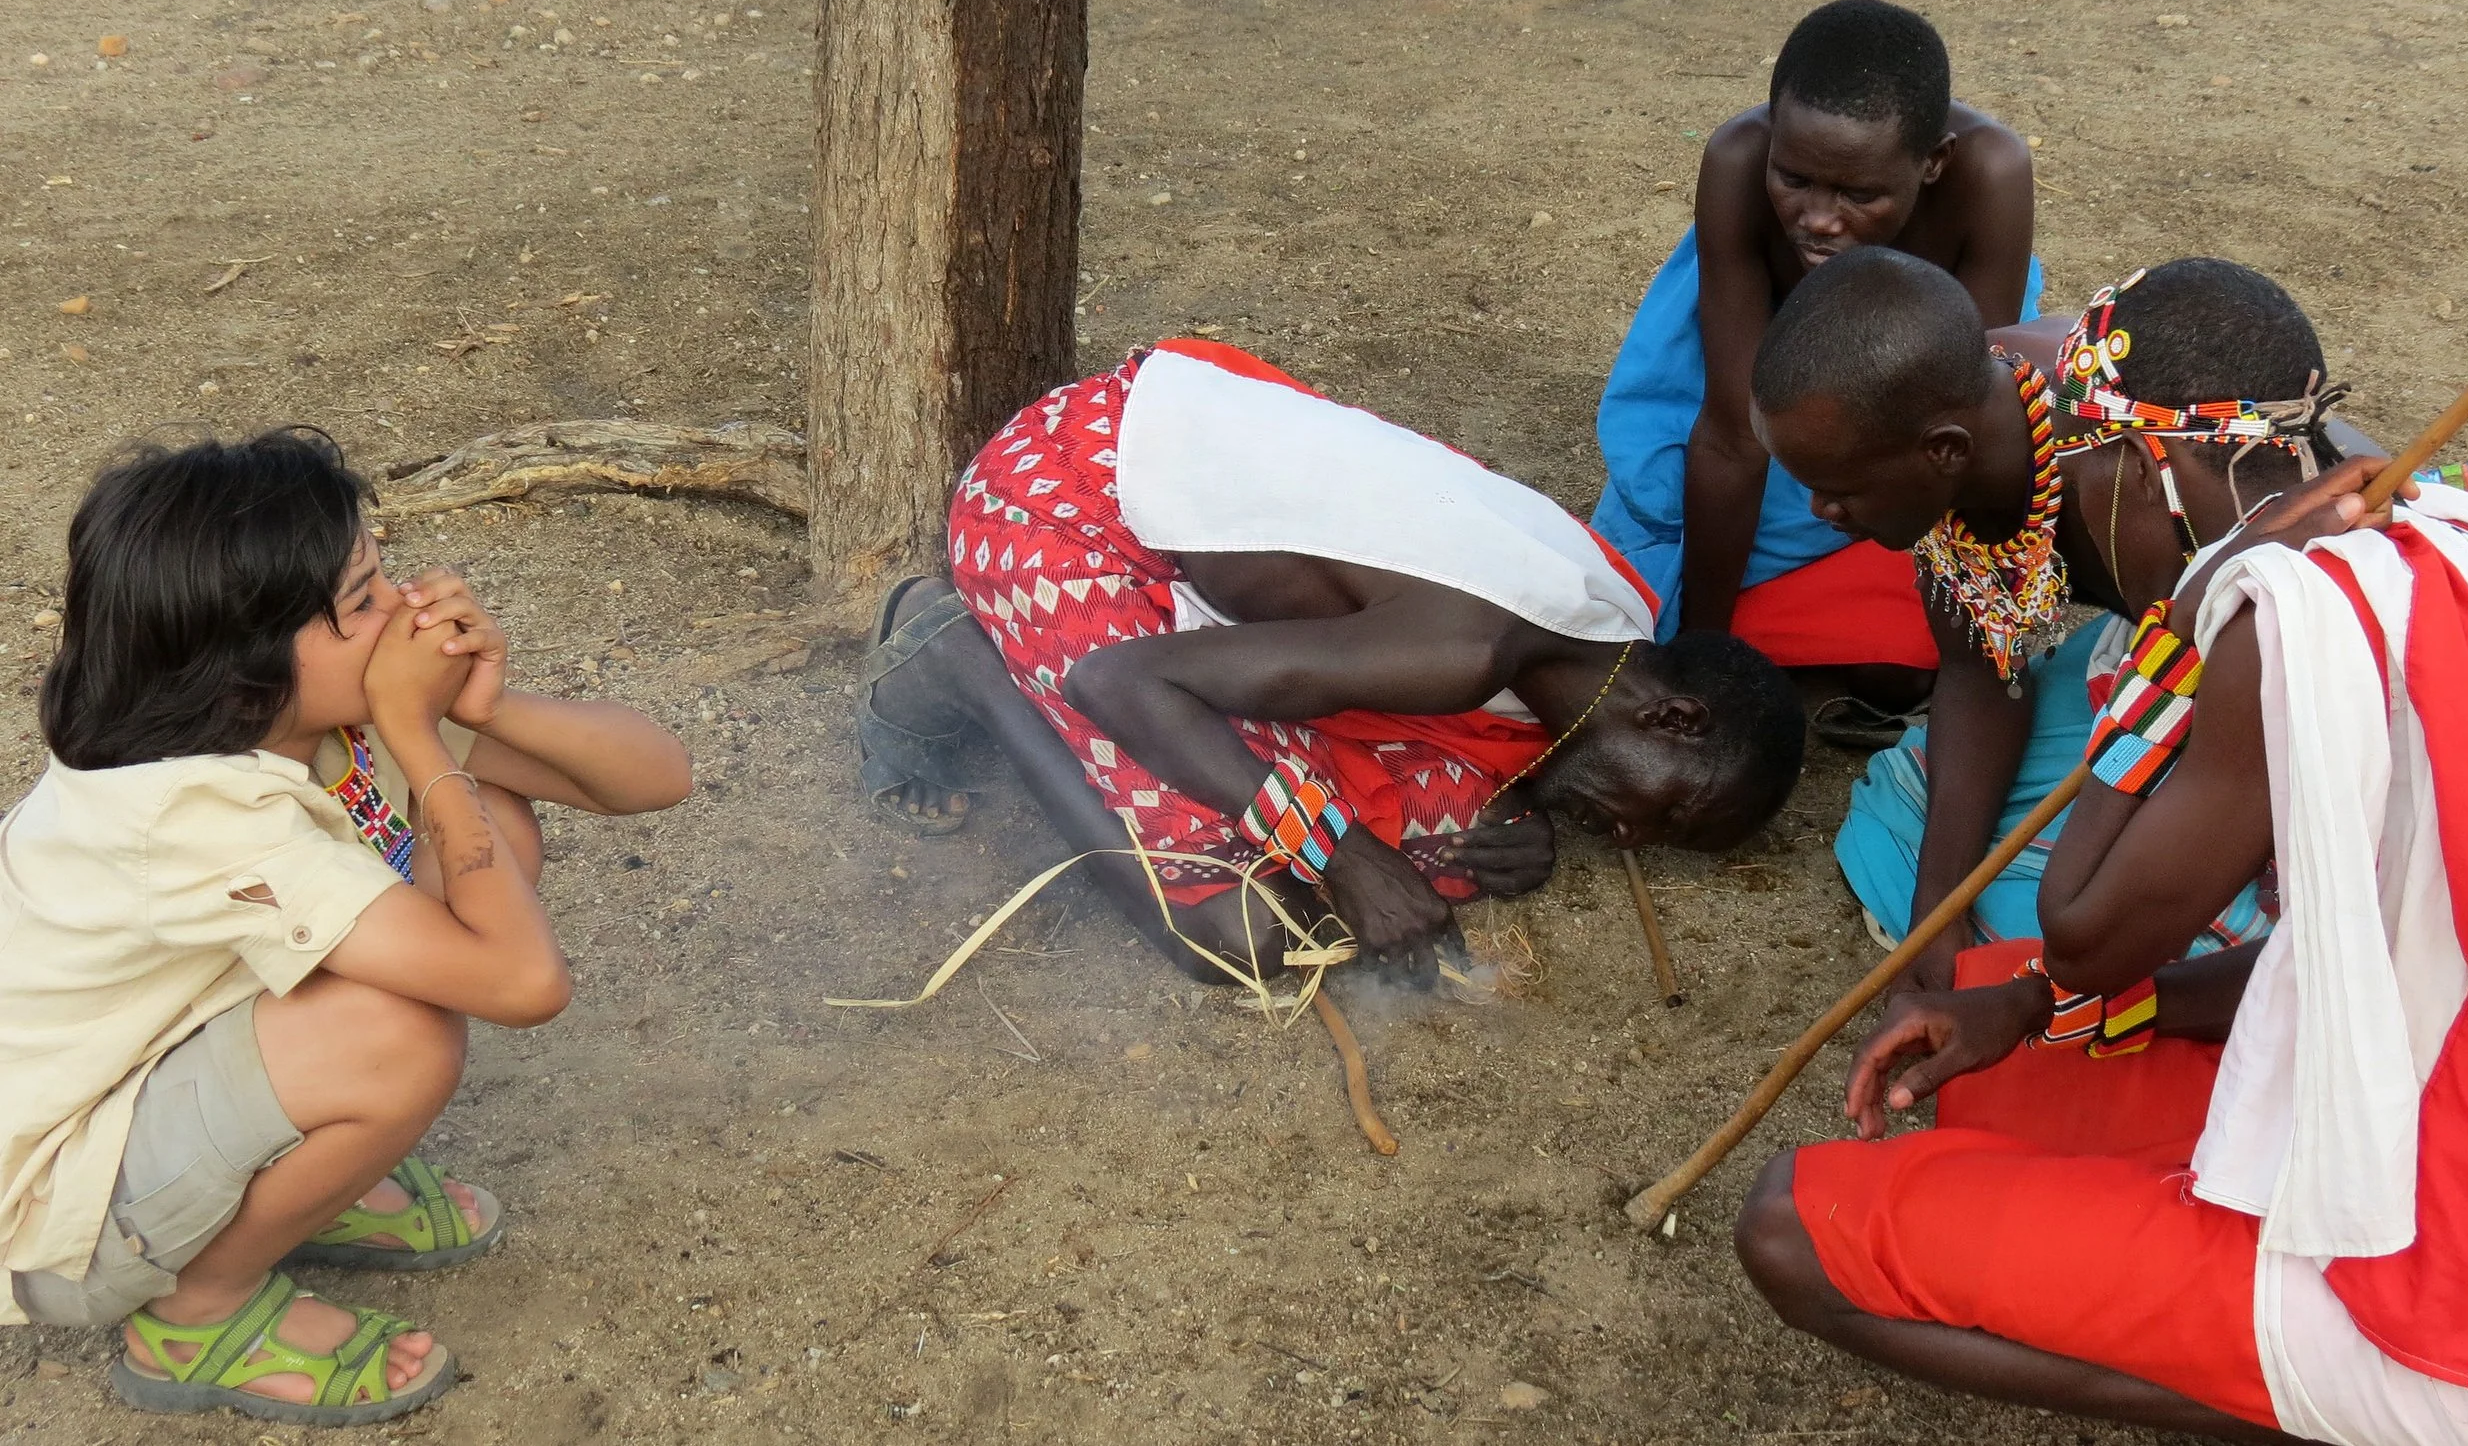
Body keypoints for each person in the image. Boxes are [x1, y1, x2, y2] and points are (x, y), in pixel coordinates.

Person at [1731, 463, 2468, 1444]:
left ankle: (2354, 1402)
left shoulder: (2298, 609)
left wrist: (2177, 642)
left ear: (2147, 471)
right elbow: (2354, 965)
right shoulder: (2461, 552)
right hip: (2429, 1119)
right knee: (1997, 1028)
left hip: (2443, 1308)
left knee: (1794, 1227)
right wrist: (2039, 1005)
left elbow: (2082, 931)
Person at [0, 430, 692, 1425]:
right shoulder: (194, 815)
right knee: (398, 1034)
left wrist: (486, 708)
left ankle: (292, 1187)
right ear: (245, 663)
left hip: (138, 1088)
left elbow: (656, 776)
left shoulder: (291, 718)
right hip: (52, 1215)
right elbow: (524, 985)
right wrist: (418, 733)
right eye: (364, 599)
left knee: (489, 824)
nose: (406, 609)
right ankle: (196, 1313)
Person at [857, 339, 1806, 983]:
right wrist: (1340, 855)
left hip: (1182, 572)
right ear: (1674, 717)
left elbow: (1473, 738)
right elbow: (1125, 682)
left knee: (1451, 838)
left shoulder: (1611, 620)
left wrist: (1523, 811)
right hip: (1059, 504)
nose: (1630, 839)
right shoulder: (1464, 646)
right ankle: (961, 662)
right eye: (1669, 811)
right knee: (1237, 933)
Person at [1750, 250, 2370, 984]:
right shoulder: (1932, 406)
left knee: (2152, 926)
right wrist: (1937, 918)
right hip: (2171, 661)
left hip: (2272, 686)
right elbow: (1980, 674)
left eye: (1838, 490)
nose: (1820, 512)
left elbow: (2080, 927)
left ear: (1944, 453)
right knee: (1910, 816)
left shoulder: (2184, 498)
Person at [1592, 0, 2036, 725]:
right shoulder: (1737, 161)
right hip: (1750, 399)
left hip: (1898, 422)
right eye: (1794, 180)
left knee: (1901, 666)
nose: (1820, 219)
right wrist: (1704, 659)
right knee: (1640, 604)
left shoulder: (1992, 175)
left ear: (1933, 163)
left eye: (1860, 194)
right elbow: (1733, 437)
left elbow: (1962, 429)